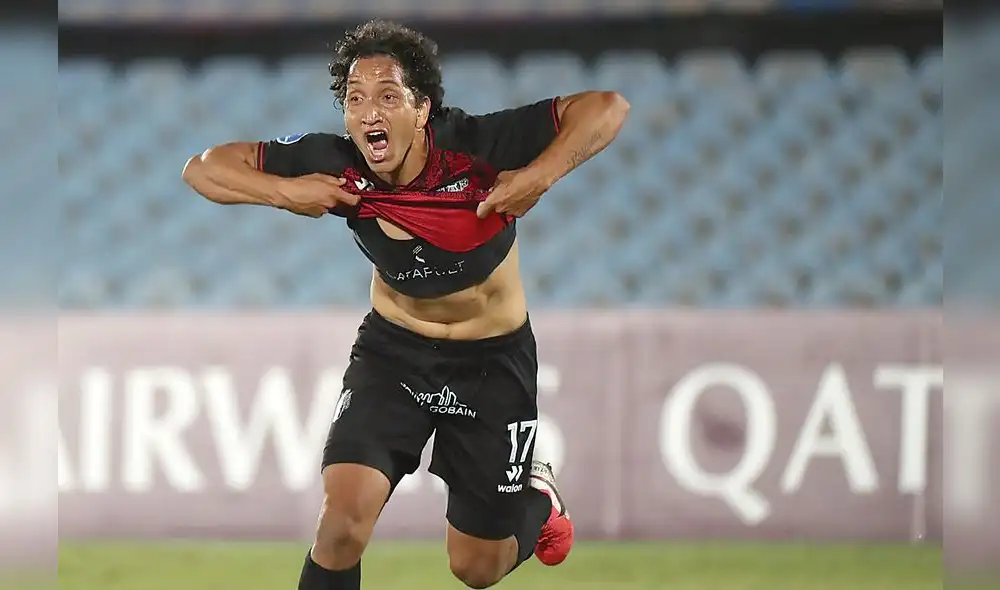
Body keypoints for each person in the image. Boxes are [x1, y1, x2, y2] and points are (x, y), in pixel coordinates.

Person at [182, 18, 629, 590]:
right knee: (341, 524)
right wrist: (286, 192)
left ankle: (537, 501)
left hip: (491, 362)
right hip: (393, 352)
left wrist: (540, 174)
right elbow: (203, 168)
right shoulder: (335, 162)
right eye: (355, 98)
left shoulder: (477, 148)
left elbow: (608, 107)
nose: (370, 111)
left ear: (422, 110)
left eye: (388, 96)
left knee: (476, 568)